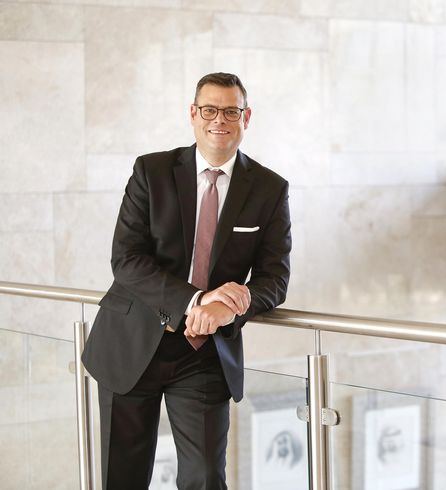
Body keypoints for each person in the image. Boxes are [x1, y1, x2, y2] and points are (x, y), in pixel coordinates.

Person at [82, 72, 291, 489]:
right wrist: (196, 301)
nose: (220, 120)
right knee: (122, 477)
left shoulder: (270, 188)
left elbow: (275, 278)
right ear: (193, 114)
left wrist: (230, 305)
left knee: (206, 477)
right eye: (209, 110)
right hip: (133, 340)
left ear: (246, 117)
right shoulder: (152, 171)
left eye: (230, 111)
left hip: (205, 353)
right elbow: (126, 259)